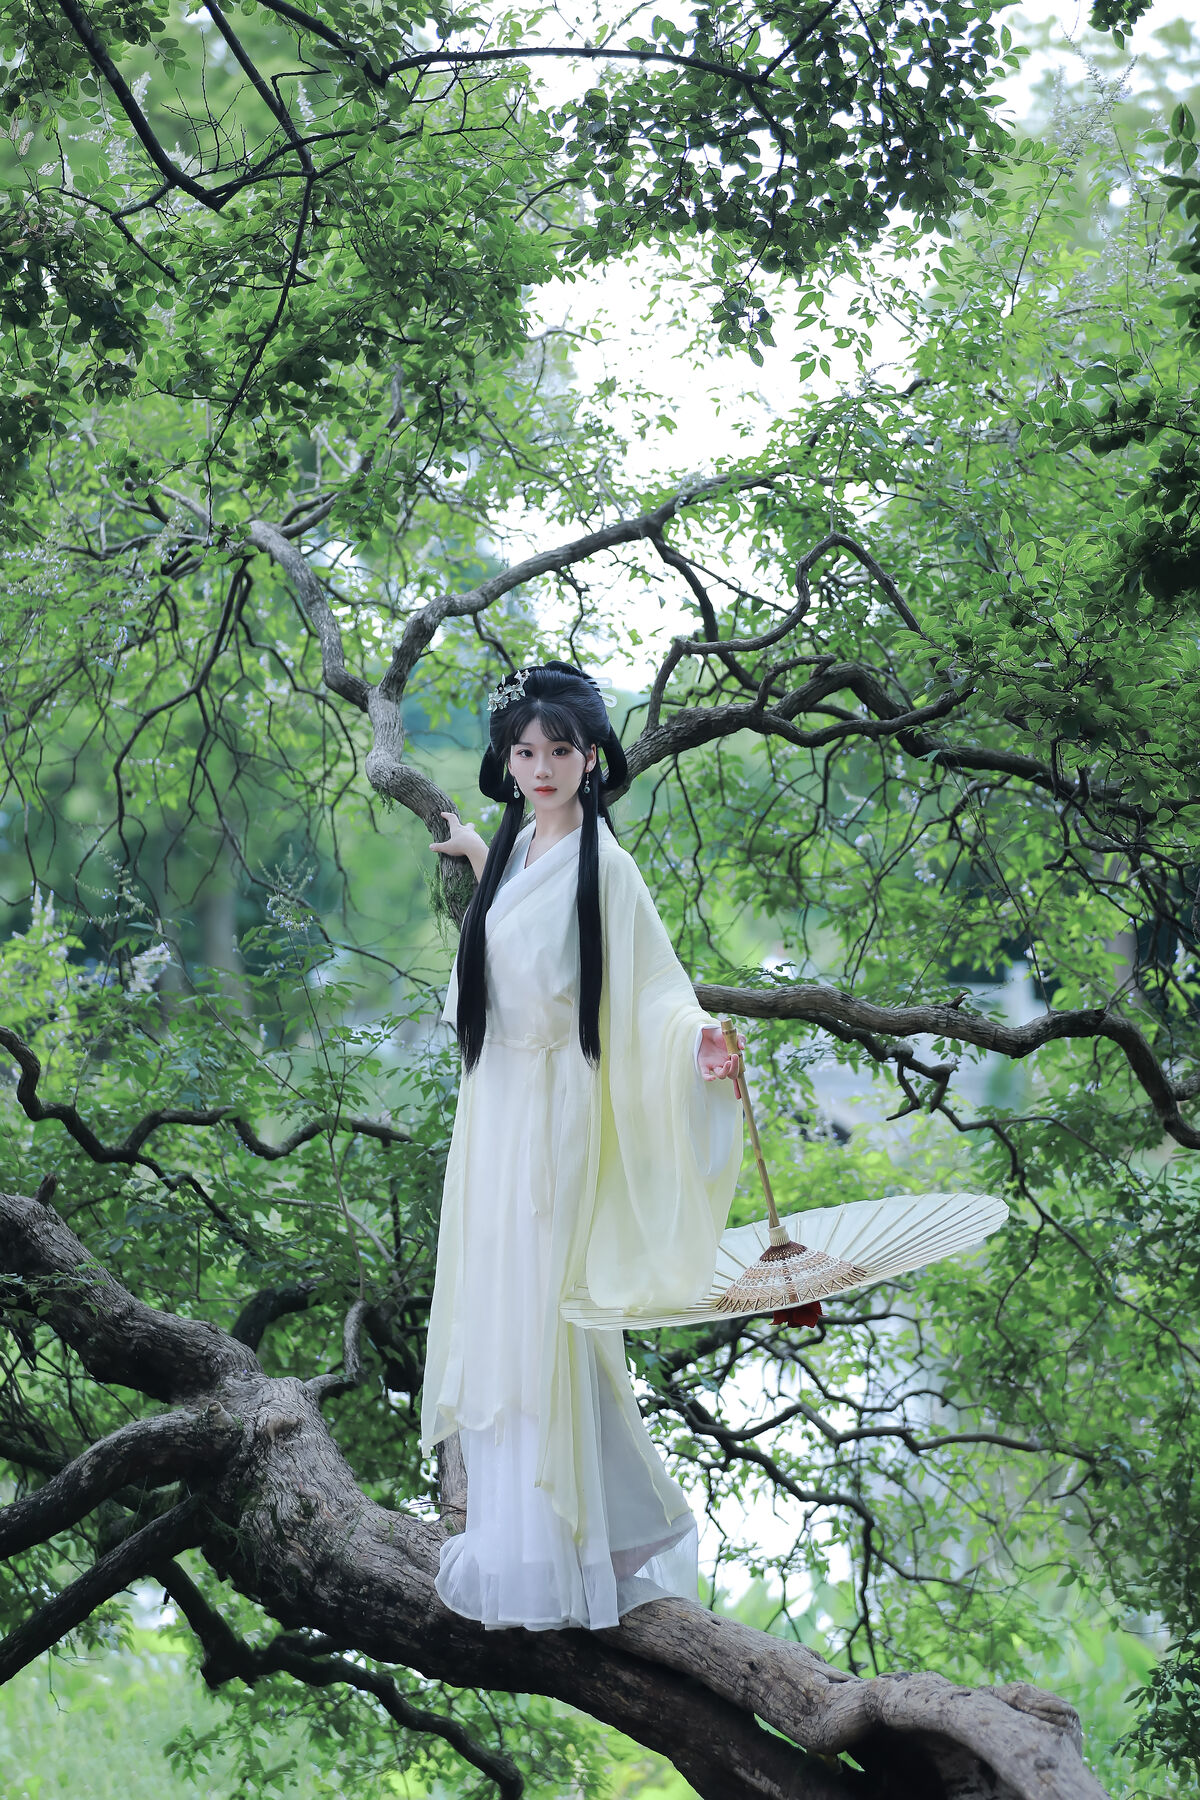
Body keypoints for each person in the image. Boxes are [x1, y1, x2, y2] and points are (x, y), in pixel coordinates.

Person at [421, 662, 742, 1631]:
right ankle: (531, 1538)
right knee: (503, 1315)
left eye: (560, 750)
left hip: (553, 1113)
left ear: (591, 757)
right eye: (525, 752)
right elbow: (518, 934)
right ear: (507, 761)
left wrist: (698, 1041)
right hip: (495, 1107)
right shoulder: (520, 849)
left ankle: (600, 1534)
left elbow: (652, 990)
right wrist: (478, 853)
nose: (542, 767)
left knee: (551, 1321)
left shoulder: (608, 866)